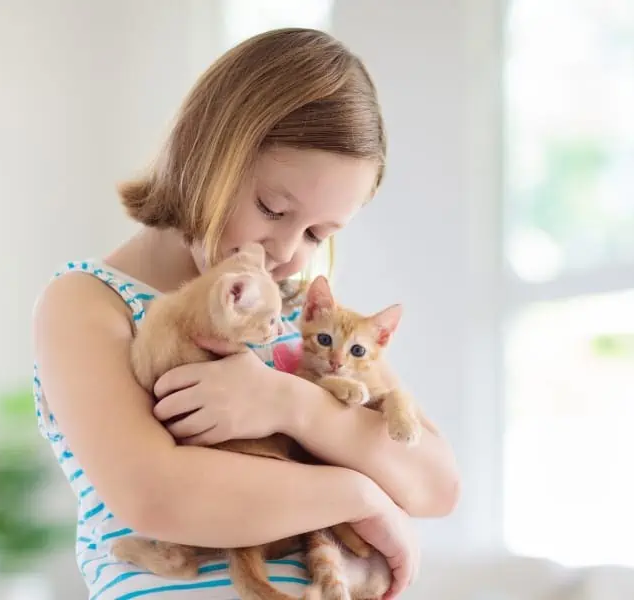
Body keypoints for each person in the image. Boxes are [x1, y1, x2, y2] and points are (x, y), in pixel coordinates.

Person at [32, 28, 460, 599]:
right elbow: (157, 495)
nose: (286, 251)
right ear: (206, 154)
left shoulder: (305, 327)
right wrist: (363, 497)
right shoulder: (90, 301)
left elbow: (436, 484)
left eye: (318, 234)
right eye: (272, 208)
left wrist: (290, 403)